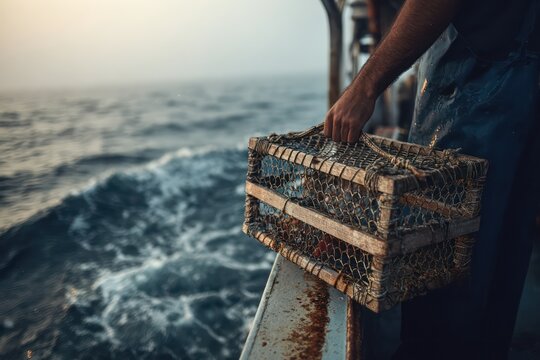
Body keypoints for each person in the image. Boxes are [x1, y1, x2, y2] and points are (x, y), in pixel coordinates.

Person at [323, 0, 540, 359]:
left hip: (470, 96)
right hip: (524, 103)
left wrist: (364, 87)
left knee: (443, 291)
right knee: (496, 288)